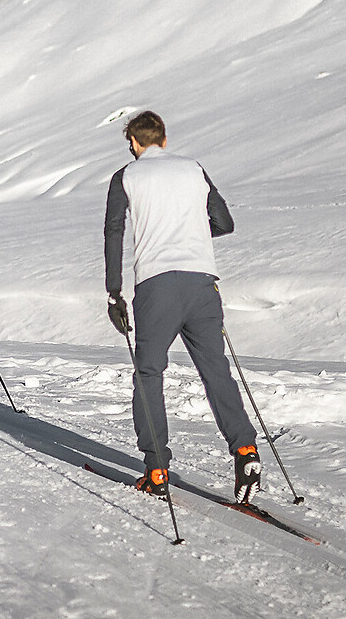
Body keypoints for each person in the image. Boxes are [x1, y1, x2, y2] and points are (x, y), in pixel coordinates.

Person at [104, 110, 260, 504]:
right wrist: (191, 234)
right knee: (215, 369)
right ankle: (245, 450)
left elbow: (114, 231)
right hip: (202, 283)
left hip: (157, 286)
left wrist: (114, 293)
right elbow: (224, 222)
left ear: (134, 143)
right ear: (164, 139)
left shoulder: (126, 176)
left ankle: (157, 469)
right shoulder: (194, 169)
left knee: (149, 373)